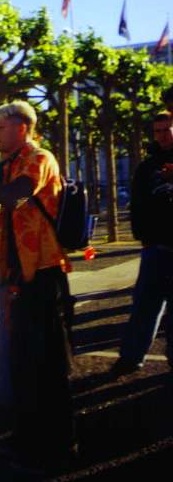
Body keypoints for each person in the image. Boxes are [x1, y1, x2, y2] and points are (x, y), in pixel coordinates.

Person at [0, 100, 76, 472]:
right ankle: (27, 442)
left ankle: (58, 448)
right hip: (19, 277)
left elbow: (14, 197)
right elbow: (3, 214)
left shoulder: (39, 159)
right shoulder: (9, 164)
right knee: (24, 363)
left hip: (43, 275)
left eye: (0, 127)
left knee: (48, 367)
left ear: (22, 127)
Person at [109, 111, 173, 378]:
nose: (162, 136)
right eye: (157, 131)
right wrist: (143, 237)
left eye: (167, 130)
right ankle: (131, 357)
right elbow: (137, 204)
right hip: (155, 247)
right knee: (144, 306)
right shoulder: (147, 167)